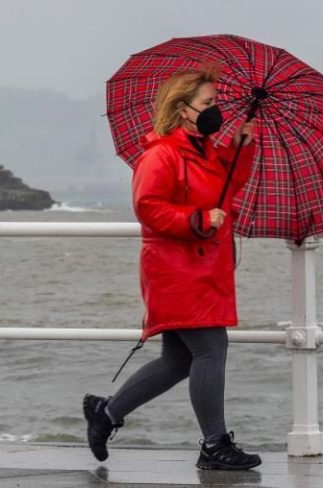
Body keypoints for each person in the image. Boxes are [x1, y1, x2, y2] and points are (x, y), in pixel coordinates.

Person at [83, 63, 260, 471]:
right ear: (183, 109)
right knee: (212, 350)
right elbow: (148, 207)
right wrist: (196, 220)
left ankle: (106, 414)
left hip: (202, 268)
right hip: (176, 270)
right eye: (209, 102)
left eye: (216, 101)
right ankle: (214, 445)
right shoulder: (161, 154)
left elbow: (225, 191)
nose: (217, 109)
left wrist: (240, 148)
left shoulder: (208, 152)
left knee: (179, 361)